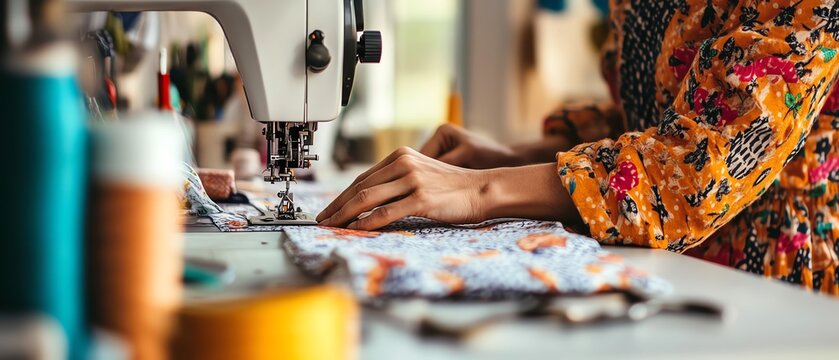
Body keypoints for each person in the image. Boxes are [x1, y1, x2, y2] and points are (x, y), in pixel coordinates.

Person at [318, 0, 839, 295]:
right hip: (655, 272)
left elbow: (695, 173)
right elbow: (649, 116)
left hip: (774, 289)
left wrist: (479, 190)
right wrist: (512, 155)